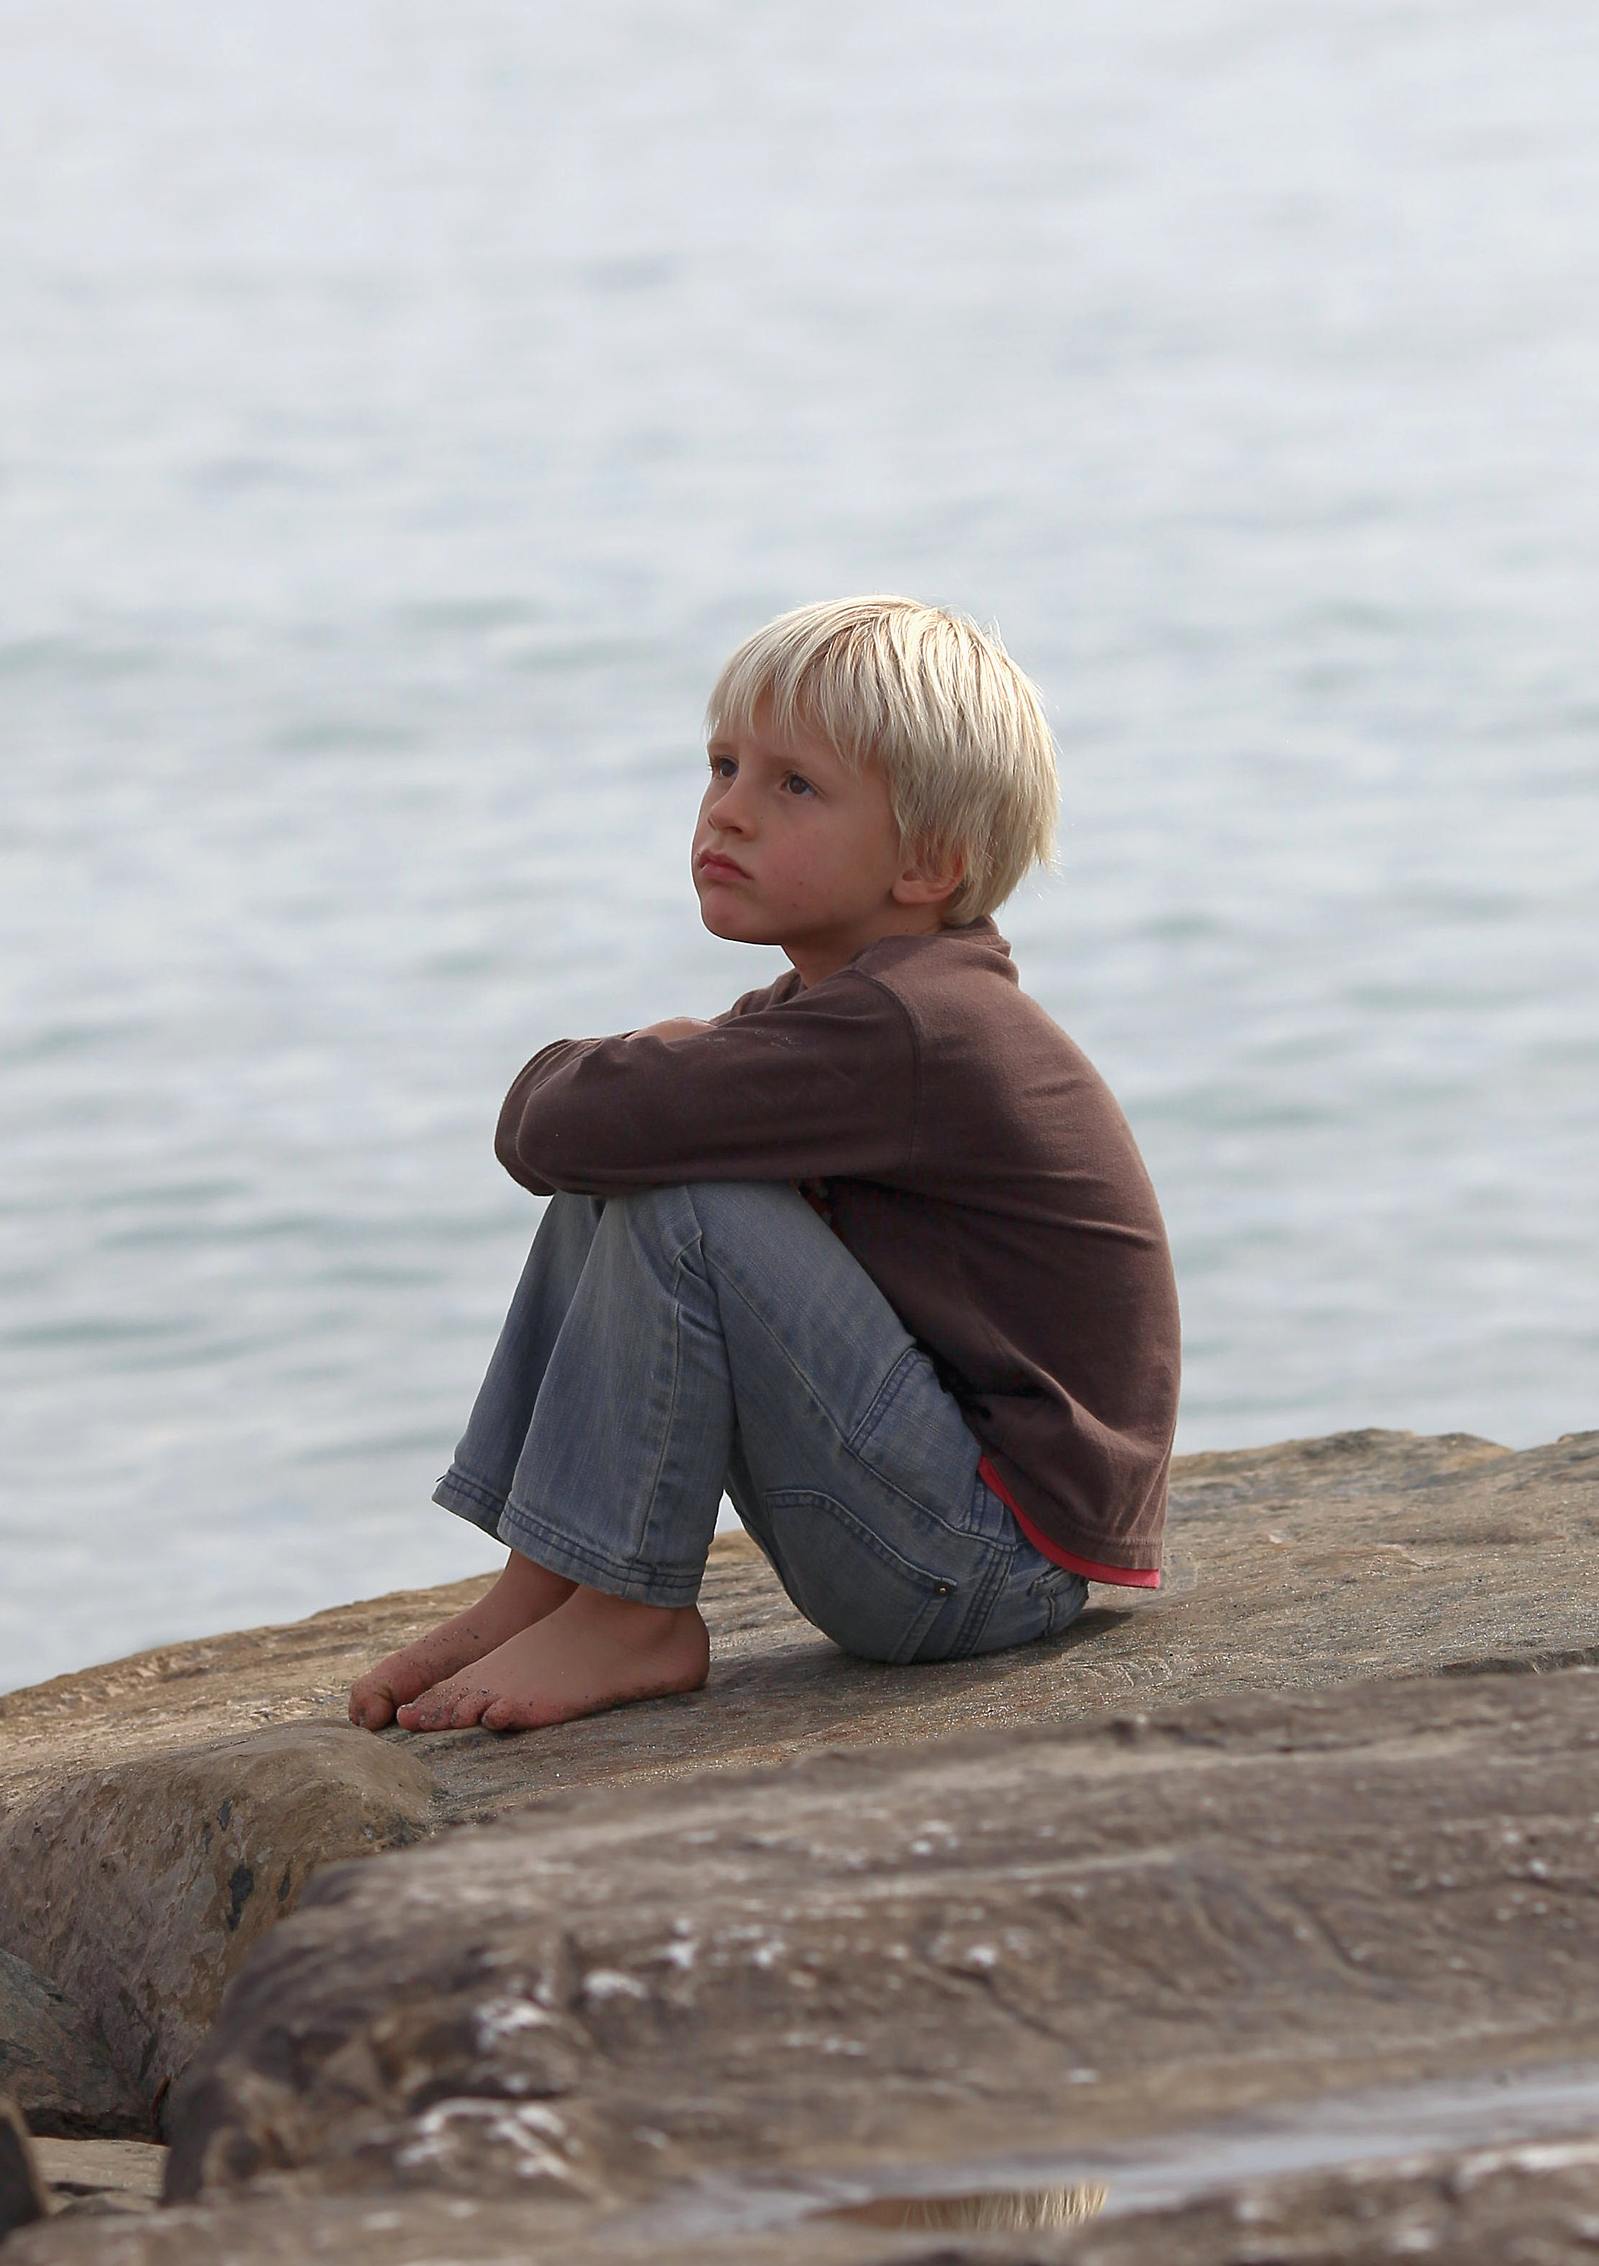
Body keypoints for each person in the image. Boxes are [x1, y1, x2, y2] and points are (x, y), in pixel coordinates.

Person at [348, 596, 1180, 1738]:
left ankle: (632, 1614)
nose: (727, 811)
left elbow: (554, 1126)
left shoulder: (909, 1030)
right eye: (723, 766)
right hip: (937, 1535)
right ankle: (554, 1579)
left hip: (985, 1563)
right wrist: (651, 1075)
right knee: (648, 1161)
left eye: (793, 786)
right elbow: (579, 1138)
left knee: (681, 1188)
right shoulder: (839, 1013)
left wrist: (648, 1061)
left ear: (932, 860)